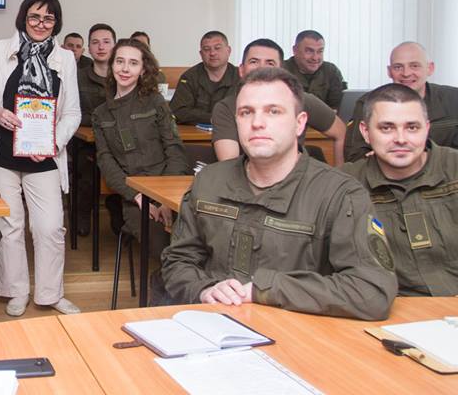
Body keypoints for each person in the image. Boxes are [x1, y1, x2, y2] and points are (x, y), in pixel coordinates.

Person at [161, 68, 397, 320]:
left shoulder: (340, 194)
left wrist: (265, 290)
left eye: (273, 111)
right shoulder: (209, 181)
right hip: (214, 324)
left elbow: (371, 291)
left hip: (298, 331)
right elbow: (178, 262)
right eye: (246, 112)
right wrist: (204, 289)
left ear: (300, 123)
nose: (257, 123)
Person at [0, 0, 82, 317]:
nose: (40, 23)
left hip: (44, 157)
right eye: (35, 16)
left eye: (48, 18)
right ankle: (15, 290)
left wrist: (53, 142)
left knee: (50, 227)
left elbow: (72, 113)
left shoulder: (65, 58)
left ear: (56, 23)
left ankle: (51, 293)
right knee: (10, 226)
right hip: (3, 155)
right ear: (23, 17)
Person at [342, 84, 458, 296]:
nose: (401, 139)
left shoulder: (454, 168)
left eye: (412, 127)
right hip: (393, 307)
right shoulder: (345, 185)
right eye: (387, 128)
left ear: (427, 128)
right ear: (365, 132)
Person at [93, 38, 189, 252]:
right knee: (157, 241)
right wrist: (136, 196)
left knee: (187, 241)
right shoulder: (100, 114)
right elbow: (106, 161)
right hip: (134, 194)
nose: (125, 69)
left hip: (168, 188)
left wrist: (166, 200)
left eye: (133, 63)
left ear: (143, 70)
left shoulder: (156, 102)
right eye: (120, 61)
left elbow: (174, 149)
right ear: (112, 65)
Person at [212, 39, 346, 165]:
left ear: (282, 71)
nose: (261, 68)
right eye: (254, 62)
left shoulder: (301, 100)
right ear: (241, 70)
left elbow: (340, 132)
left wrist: (343, 172)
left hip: (295, 176)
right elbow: (229, 164)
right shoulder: (226, 107)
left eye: (270, 63)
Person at [345, 42, 458, 162]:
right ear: (389, 71)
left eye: (414, 66)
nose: (406, 73)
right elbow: (354, 156)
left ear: (430, 68)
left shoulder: (454, 99)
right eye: (398, 67)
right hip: (387, 171)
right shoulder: (368, 102)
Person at [74, 23, 116, 236]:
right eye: (95, 42)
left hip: (119, 142)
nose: (101, 47)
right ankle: (83, 212)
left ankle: (117, 207)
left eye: (106, 42)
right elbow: (72, 113)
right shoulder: (77, 77)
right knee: (88, 172)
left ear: (114, 46)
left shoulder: (123, 75)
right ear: (88, 48)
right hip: (85, 143)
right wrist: (103, 121)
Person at [171, 31, 239, 125]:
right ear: (201, 54)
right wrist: (213, 118)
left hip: (232, 130)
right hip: (194, 132)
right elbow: (178, 111)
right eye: (207, 49)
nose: (212, 53)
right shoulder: (189, 77)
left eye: (217, 48)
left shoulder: (241, 76)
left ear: (228, 50)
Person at [282, 30, 347, 109]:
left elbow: (338, 106)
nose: (315, 58)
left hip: (325, 116)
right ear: (295, 50)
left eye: (320, 51)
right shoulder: (281, 71)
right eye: (309, 51)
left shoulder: (330, 71)